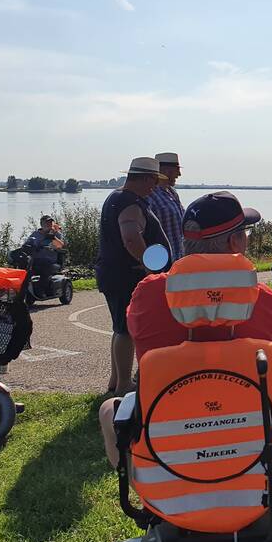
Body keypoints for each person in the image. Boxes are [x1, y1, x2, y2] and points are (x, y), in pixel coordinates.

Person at [97, 191, 272, 466]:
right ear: (234, 241)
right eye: (244, 233)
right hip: (250, 440)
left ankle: (142, 484)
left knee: (108, 409)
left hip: (167, 450)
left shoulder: (148, 294)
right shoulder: (262, 298)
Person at [95, 157, 169, 397]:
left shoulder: (117, 197)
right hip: (126, 276)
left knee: (120, 328)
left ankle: (116, 381)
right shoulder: (130, 203)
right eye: (154, 181)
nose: (155, 187)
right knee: (126, 329)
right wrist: (148, 265)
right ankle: (125, 383)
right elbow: (130, 237)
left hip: (115, 273)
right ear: (146, 178)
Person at [147, 152, 184, 262]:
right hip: (160, 261)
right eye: (177, 170)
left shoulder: (172, 192)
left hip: (177, 259)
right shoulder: (150, 194)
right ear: (165, 171)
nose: (179, 174)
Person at [23, 215, 66, 296]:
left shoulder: (56, 234)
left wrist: (53, 237)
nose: (49, 225)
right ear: (42, 224)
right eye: (46, 223)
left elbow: (60, 245)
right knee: (24, 268)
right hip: (35, 259)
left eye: (50, 223)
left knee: (45, 268)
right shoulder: (35, 234)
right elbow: (27, 244)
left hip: (49, 260)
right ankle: (21, 290)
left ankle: (40, 291)